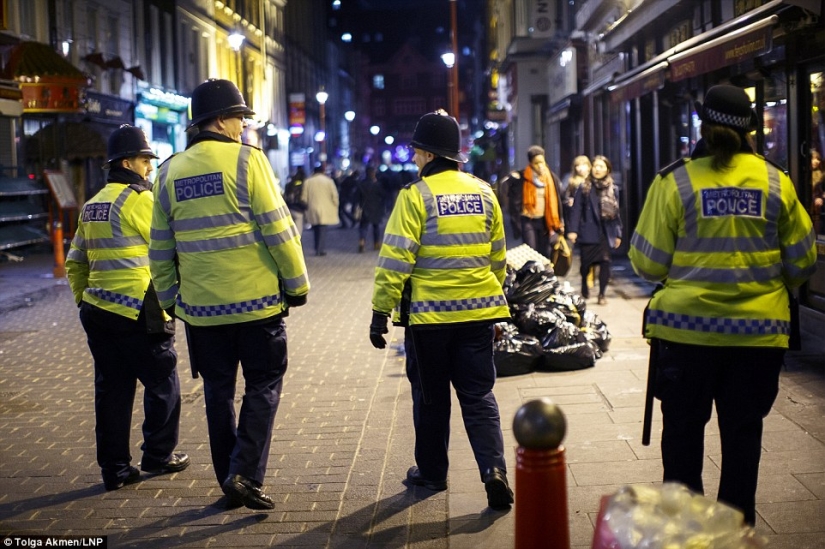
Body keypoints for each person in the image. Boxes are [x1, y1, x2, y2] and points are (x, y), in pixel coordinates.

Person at [628, 84, 817, 526]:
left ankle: (688, 533)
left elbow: (647, 262)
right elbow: (804, 260)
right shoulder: (776, 181)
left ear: (702, 124)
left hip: (684, 335)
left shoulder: (674, 181)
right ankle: (736, 530)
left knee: (681, 438)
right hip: (757, 337)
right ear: (750, 128)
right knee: (742, 437)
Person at [149, 79, 310, 510]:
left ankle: (229, 476)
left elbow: (160, 248)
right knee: (263, 384)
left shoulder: (167, 172)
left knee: (218, 393)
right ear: (220, 120)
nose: (243, 126)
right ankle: (244, 472)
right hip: (257, 306)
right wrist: (297, 285)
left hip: (201, 314)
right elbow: (279, 229)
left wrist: (169, 300)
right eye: (239, 118)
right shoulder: (247, 162)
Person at [369, 109, 514, 510]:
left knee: (432, 399)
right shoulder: (485, 192)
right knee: (479, 395)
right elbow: (498, 256)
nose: (414, 159)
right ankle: (494, 471)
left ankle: (432, 474)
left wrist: (380, 312)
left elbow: (395, 260)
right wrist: (491, 297)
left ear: (430, 155)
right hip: (477, 315)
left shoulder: (415, 197)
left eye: (417, 152)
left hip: (429, 320)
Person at [66, 125, 189, 492]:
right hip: (140, 308)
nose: (149, 167)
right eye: (144, 160)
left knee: (112, 391)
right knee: (163, 380)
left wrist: (83, 301)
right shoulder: (139, 200)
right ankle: (158, 454)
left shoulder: (92, 205)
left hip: (98, 312)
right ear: (126, 162)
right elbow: (170, 249)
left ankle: (116, 470)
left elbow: (75, 263)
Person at [566, 155, 622, 304]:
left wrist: (618, 233)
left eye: (601, 167)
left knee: (605, 263)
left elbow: (616, 213)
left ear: (607, 169)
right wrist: (573, 230)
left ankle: (602, 294)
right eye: (595, 166)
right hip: (588, 230)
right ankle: (585, 283)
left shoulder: (613, 189)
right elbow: (576, 210)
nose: (597, 169)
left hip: (606, 231)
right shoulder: (584, 187)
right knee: (586, 264)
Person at [506, 145, 564, 255]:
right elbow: (512, 197)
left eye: (542, 162)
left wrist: (561, 221)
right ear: (531, 163)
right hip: (528, 219)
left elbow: (561, 198)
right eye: (536, 163)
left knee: (544, 251)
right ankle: (532, 271)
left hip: (544, 220)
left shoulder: (551, 177)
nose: (540, 166)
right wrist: (513, 179)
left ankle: (542, 272)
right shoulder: (523, 177)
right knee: (531, 249)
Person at [301, 163, 340, 256]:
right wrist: (335, 206)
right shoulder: (329, 181)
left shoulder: (308, 181)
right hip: (326, 209)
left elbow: (303, 197)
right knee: (322, 230)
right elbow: (334, 196)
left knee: (316, 230)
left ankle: (317, 248)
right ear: (323, 171)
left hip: (312, 208)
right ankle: (320, 249)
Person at [356, 165, 385, 252]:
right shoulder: (377, 184)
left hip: (364, 208)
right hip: (376, 208)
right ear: (373, 173)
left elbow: (357, 197)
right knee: (376, 227)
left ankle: (362, 242)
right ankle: (376, 244)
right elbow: (383, 195)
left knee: (363, 227)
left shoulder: (361, 184)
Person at [562, 155, 591, 229]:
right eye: (577, 166)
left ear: (588, 166)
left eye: (583, 165)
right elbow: (564, 195)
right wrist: (569, 201)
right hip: (574, 212)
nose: (580, 168)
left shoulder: (592, 180)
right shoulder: (570, 180)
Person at [284, 166, 307, 238]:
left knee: (291, 227)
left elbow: (286, 196)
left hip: (290, 208)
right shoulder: (303, 184)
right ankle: (296, 243)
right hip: (299, 209)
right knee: (298, 229)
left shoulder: (289, 184)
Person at [811, 149, 823, 234]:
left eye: (818, 159)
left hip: (818, 209)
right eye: (813, 158)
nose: (816, 161)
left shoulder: (821, 175)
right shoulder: (805, 175)